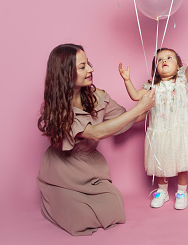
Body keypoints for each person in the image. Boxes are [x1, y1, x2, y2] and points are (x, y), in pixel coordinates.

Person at [37, 44, 155, 236]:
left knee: (114, 204)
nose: (91, 69)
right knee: (79, 218)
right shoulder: (59, 110)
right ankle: (54, 198)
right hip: (61, 172)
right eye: (82, 67)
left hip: (90, 170)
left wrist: (158, 103)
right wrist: (141, 107)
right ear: (66, 73)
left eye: (88, 64)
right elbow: (95, 133)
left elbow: (127, 119)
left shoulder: (97, 96)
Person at [118, 24, 188, 210]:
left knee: (182, 163)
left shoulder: (183, 79)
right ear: (155, 69)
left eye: (169, 58)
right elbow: (136, 96)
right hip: (160, 131)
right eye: (159, 60)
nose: (164, 61)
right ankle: (162, 191)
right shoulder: (152, 87)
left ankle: (182, 192)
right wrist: (127, 80)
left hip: (181, 129)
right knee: (161, 163)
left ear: (178, 65)